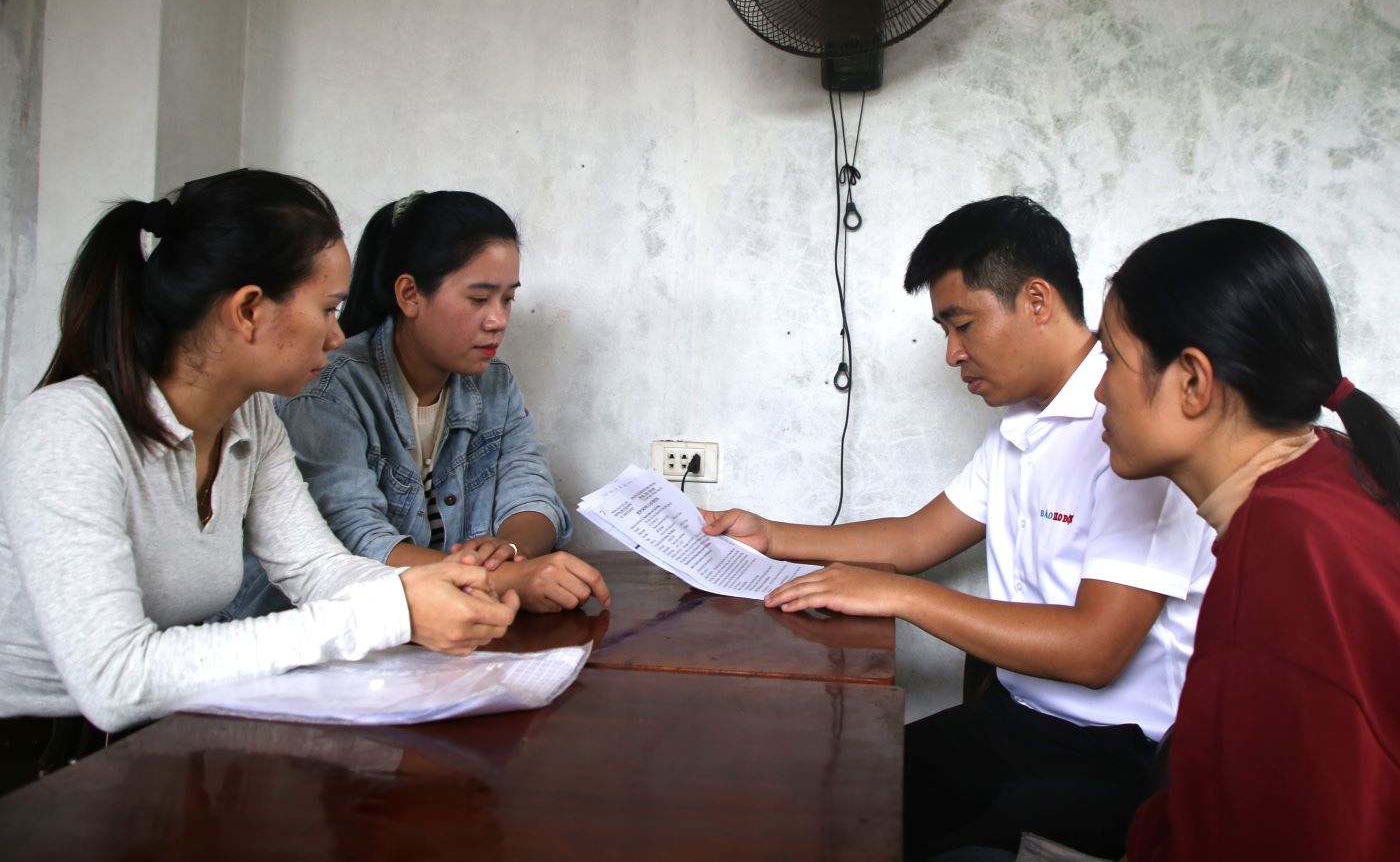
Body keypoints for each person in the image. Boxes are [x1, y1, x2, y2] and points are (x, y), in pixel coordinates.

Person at [702, 196, 1215, 860]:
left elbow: (1096, 651)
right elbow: (916, 539)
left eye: (962, 324)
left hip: (1115, 753)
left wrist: (905, 598)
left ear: (1036, 301)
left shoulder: (1136, 431)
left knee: (891, 835)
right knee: (829, 798)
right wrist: (772, 533)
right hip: (1018, 718)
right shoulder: (1022, 430)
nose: (952, 353)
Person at [0, 170, 519, 795]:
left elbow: (315, 568)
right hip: (30, 760)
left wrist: (437, 585)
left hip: (153, 735)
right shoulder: (68, 431)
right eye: (328, 309)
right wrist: (394, 610)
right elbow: (115, 680)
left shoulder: (251, 418)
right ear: (248, 310)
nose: (338, 334)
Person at [1093, 219, 1400, 860]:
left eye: (1110, 360)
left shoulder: (1288, 547)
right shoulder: (1333, 465)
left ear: (1193, 382)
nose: (1099, 393)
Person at [220, 190, 608, 622]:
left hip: (433, 625)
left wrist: (511, 551)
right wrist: (498, 581)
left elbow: (531, 491)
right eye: (479, 299)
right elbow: (353, 542)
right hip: (319, 628)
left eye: (508, 299)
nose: (498, 319)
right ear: (409, 294)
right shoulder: (327, 388)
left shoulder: (495, 384)